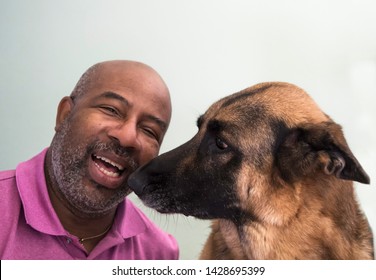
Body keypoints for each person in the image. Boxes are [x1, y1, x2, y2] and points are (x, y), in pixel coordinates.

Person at [0, 60, 179, 259]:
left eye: (149, 130)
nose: (128, 137)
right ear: (64, 115)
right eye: (112, 110)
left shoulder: (158, 253)